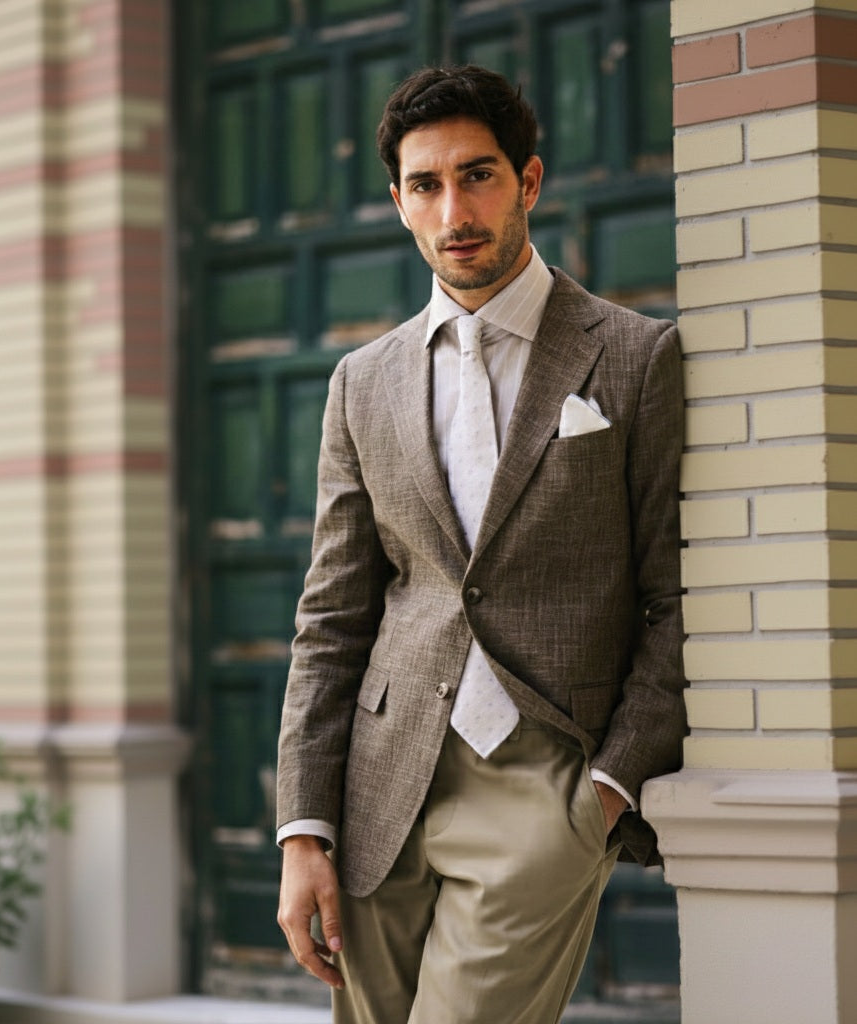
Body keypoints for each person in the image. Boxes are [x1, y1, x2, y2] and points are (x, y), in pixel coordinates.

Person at [276, 64, 686, 1024]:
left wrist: (608, 787)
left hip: (545, 787)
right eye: (426, 184)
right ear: (399, 204)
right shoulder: (360, 382)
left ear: (529, 181)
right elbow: (332, 614)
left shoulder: (632, 357)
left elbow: (674, 595)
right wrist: (303, 829)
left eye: (478, 175)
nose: (453, 208)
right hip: (382, 787)